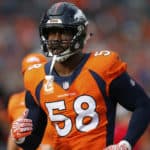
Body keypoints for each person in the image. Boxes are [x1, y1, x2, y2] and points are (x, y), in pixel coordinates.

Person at [10, 2, 150, 150]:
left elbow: (142, 104)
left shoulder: (102, 66)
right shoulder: (35, 77)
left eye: (63, 31)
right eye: (51, 32)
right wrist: (21, 137)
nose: (55, 38)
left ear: (79, 33)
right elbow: (32, 141)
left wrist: (125, 143)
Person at [7, 53, 55, 150]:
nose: (33, 76)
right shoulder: (14, 101)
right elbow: (13, 135)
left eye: (37, 72)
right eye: (28, 72)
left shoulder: (56, 97)